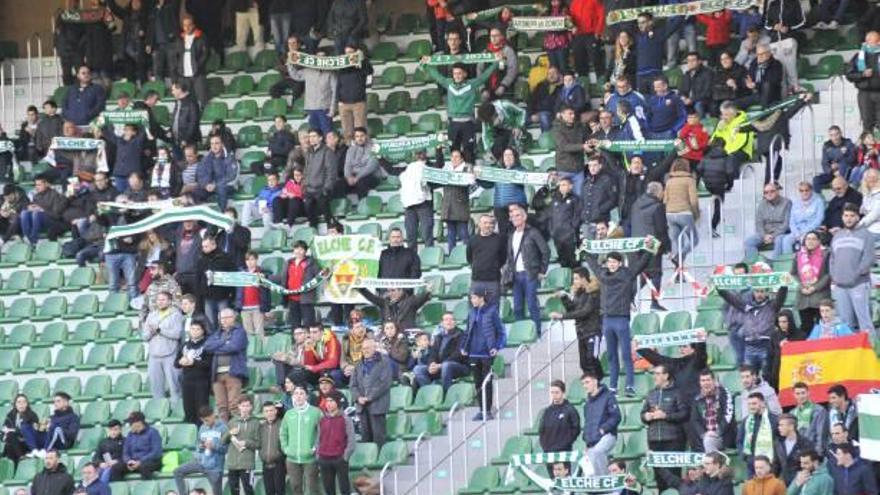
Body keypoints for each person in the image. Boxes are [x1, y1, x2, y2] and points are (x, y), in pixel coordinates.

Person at [584, 248, 654, 396]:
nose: (611, 264)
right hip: (607, 319)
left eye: (614, 262)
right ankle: (613, 387)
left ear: (620, 263)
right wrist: (584, 250)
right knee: (611, 355)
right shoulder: (602, 275)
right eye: (609, 262)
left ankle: (629, 385)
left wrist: (650, 249)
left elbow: (641, 264)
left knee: (626, 355)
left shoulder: (627, 274)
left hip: (621, 319)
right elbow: (593, 265)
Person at [422, 58, 498, 162]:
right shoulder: (448, 83)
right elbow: (437, 76)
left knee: (469, 152)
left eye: (459, 73)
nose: (457, 76)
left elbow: (484, 77)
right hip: (453, 124)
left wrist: (496, 62)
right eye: (455, 73)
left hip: (468, 124)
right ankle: (455, 175)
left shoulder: (472, 84)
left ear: (465, 74)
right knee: (453, 152)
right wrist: (425, 64)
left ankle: (470, 175)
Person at [718, 276, 788, 379]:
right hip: (749, 347)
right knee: (749, 377)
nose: (759, 294)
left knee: (767, 376)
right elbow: (730, 299)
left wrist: (784, 285)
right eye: (757, 291)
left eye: (762, 291)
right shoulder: (745, 306)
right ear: (753, 292)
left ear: (767, 293)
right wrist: (719, 289)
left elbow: (781, 297)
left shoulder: (772, 306)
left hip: (766, 347)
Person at [641, 364, 689, 492]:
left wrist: (666, 416)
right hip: (654, 441)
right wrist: (646, 416)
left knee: (673, 476)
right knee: (660, 479)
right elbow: (642, 414)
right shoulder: (651, 394)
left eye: (657, 373)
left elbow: (684, 414)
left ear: (666, 376)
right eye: (654, 374)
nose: (654, 377)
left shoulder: (677, 392)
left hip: (673, 440)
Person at [830, 203, 876, 333]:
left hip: (859, 284)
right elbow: (832, 259)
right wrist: (835, 276)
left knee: (864, 321)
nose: (848, 218)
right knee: (845, 323)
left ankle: (873, 351)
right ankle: (850, 353)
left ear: (857, 217)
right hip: (840, 286)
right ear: (842, 217)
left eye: (852, 216)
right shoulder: (837, 236)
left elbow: (868, 259)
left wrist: (855, 276)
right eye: (846, 215)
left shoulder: (866, 235)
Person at [462, 287, 505, 421]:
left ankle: (488, 410)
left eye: (474, 297)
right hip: (473, 353)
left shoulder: (492, 311)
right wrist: (464, 347)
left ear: (481, 298)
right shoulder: (471, 313)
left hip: (486, 353)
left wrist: (497, 347)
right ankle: (481, 410)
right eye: (471, 298)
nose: (472, 300)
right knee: (477, 383)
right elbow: (467, 332)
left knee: (487, 382)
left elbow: (501, 332)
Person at [550, 267, 602, 377]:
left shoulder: (594, 292)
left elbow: (585, 312)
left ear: (584, 279)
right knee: (583, 363)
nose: (574, 282)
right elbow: (573, 310)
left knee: (592, 358)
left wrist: (562, 316)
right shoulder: (578, 293)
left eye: (576, 279)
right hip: (581, 332)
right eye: (574, 279)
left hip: (593, 331)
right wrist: (564, 297)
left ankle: (598, 382)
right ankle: (590, 386)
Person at [505, 204, 549, 336]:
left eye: (517, 215)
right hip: (516, 275)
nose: (515, 218)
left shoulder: (533, 232)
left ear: (524, 217)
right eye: (512, 216)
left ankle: (537, 332)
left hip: (530, 273)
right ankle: (520, 333)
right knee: (517, 307)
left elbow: (545, 251)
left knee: (531, 304)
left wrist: (542, 270)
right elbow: (510, 255)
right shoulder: (511, 235)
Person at [204, 309, 249, 422]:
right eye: (221, 318)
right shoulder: (217, 333)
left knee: (234, 405)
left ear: (233, 318)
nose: (223, 320)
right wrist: (224, 342)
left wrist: (216, 348)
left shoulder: (240, 332)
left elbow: (234, 347)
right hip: (217, 375)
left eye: (226, 318)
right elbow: (207, 347)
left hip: (233, 373)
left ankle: (237, 430)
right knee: (221, 407)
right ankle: (225, 434)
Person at [173, 407, 227, 495]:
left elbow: (226, 449)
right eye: (203, 421)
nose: (205, 423)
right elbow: (198, 446)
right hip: (201, 462)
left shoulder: (223, 428)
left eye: (207, 420)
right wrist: (201, 447)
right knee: (177, 471)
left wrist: (214, 446)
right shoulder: (202, 427)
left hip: (215, 467)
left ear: (213, 415)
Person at [350, 337, 393, 444]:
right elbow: (353, 385)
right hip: (362, 407)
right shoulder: (358, 365)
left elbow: (384, 383)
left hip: (378, 406)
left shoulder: (384, 362)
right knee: (365, 438)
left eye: (368, 348)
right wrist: (358, 397)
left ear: (375, 348)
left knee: (379, 438)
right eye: (363, 348)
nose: (365, 350)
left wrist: (369, 397)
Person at [143, 291, 184, 401]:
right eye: (158, 300)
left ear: (169, 301)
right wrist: (151, 332)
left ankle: (177, 410)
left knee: (174, 387)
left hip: (170, 354)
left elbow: (177, 334)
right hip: (154, 355)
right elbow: (144, 336)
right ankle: (158, 412)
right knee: (156, 388)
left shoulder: (176, 314)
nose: (160, 302)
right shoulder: (151, 315)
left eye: (163, 300)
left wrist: (160, 330)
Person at [790, 231, 832, 335]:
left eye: (814, 239)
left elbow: (828, 274)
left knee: (822, 328)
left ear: (819, 241)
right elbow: (793, 274)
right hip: (803, 297)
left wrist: (815, 288)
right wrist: (801, 287)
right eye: (808, 239)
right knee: (806, 328)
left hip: (820, 296)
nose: (810, 241)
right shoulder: (798, 255)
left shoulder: (826, 254)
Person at [414, 312, 467, 390]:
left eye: (451, 319)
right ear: (442, 323)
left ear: (455, 322)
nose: (449, 322)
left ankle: (447, 394)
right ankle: (431, 393)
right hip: (440, 367)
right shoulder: (439, 336)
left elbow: (458, 354)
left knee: (446, 365)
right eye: (446, 320)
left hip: (458, 366)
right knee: (418, 369)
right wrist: (431, 364)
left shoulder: (462, 335)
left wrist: (441, 365)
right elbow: (433, 353)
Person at [581, 370, 620, 475]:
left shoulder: (609, 396)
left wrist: (604, 429)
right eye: (583, 383)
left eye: (587, 382)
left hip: (608, 435)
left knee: (597, 452)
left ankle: (604, 481)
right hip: (592, 440)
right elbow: (588, 423)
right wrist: (587, 442)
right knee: (588, 463)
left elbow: (616, 416)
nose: (585, 385)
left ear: (595, 381)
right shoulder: (587, 402)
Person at [316, 392, 355, 495]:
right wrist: (318, 455)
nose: (328, 404)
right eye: (327, 401)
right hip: (324, 458)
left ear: (338, 402)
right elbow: (318, 439)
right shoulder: (322, 419)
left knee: (344, 489)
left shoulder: (346, 419)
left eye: (331, 401)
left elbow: (351, 441)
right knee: (329, 490)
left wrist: (345, 457)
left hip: (339, 458)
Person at [688, 370, 736, 453]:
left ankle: (711, 464)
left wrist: (717, 432)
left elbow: (728, 415)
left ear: (714, 381)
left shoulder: (724, 393)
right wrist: (703, 434)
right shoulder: (697, 398)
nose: (706, 383)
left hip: (723, 435)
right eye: (703, 380)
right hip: (704, 436)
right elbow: (694, 420)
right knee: (706, 440)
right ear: (699, 383)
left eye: (708, 380)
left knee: (709, 441)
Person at [175, 319, 213, 425]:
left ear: (203, 331)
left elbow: (209, 364)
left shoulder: (207, 344)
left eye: (198, 329)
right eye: (192, 329)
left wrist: (194, 362)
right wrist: (181, 361)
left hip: (202, 382)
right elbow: (176, 363)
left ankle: (202, 432)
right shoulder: (185, 345)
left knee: (201, 410)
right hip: (187, 381)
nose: (195, 331)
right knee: (188, 409)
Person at [664, 158, 701, 265]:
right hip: (684, 212)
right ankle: (678, 256)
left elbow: (665, 199)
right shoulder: (690, 180)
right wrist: (696, 215)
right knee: (694, 240)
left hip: (670, 214)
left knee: (676, 242)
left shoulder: (669, 181)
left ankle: (678, 272)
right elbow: (693, 201)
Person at [222, 396, 260, 495]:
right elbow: (223, 441)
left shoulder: (256, 422)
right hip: (232, 463)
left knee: (248, 489)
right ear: (239, 407)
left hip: (247, 463)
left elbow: (258, 444)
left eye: (247, 406)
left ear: (251, 407)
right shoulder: (232, 421)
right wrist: (230, 432)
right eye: (243, 406)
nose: (245, 408)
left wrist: (246, 442)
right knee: (234, 490)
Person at [744, 183, 792, 260]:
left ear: (777, 191)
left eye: (772, 191)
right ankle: (756, 265)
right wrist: (764, 236)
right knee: (749, 242)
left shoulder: (786, 203)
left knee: (779, 240)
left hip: (780, 233)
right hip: (765, 233)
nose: (769, 194)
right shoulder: (762, 204)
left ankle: (775, 264)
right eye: (766, 192)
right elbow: (759, 223)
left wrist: (773, 236)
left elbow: (786, 224)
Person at [774, 182, 824, 256]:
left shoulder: (818, 202)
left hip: (812, 230)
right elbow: (792, 221)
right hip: (797, 232)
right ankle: (789, 264)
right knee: (786, 240)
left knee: (805, 239)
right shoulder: (796, 203)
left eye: (806, 190)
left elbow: (818, 220)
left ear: (811, 190)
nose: (804, 192)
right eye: (801, 190)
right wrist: (796, 233)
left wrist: (804, 231)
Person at [110, 412, 162, 481]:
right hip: (133, 462)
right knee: (116, 468)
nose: (130, 425)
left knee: (144, 467)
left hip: (149, 461)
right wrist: (128, 461)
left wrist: (140, 461)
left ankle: (145, 488)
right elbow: (125, 452)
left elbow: (156, 452)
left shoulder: (153, 432)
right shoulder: (130, 434)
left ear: (139, 423)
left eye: (131, 423)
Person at [438, 148, 473, 252]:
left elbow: (470, 182)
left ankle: (469, 254)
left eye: (457, 156)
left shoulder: (467, 168)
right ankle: (452, 254)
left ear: (462, 159)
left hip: (460, 206)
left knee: (463, 233)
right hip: (448, 206)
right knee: (450, 235)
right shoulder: (447, 170)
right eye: (452, 157)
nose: (454, 159)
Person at [467, 215, 507, 302]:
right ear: (479, 225)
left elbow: (503, 257)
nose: (488, 225)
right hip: (476, 280)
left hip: (493, 281)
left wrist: (495, 266)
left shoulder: (499, 239)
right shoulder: (472, 240)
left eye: (490, 223)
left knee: (492, 310)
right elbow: (469, 258)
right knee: (475, 311)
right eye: (485, 223)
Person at [738, 392, 780, 474]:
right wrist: (745, 457)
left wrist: (775, 459)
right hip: (752, 465)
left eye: (754, 403)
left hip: (771, 465)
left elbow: (779, 441)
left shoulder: (775, 420)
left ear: (763, 403)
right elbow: (739, 441)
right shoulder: (746, 421)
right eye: (749, 404)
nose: (751, 406)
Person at [302, 129, 336, 228]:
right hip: (309, 189)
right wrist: (304, 186)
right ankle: (313, 233)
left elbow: (331, 172)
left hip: (322, 189)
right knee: (310, 214)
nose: (311, 139)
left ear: (320, 138)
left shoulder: (327, 152)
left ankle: (332, 230)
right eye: (309, 137)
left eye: (314, 136)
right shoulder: (309, 152)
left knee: (327, 215)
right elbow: (306, 170)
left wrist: (326, 188)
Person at [847, 32, 880, 132]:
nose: (878, 43)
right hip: (865, 94)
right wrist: (862, 74)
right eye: (876, 41)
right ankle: (869, 147)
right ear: (868, 42)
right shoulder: (858, 56)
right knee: (867, 123)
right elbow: (849, 75)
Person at [20, 175, 67, 245]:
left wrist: (42, 210)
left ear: (47, 184)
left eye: (39, 185)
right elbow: (31, 209)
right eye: (36, 185)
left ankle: (33, 240)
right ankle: (27, 238)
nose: (36, 187)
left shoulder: (55, 195)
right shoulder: (36, 196)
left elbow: (56, 215)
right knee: (24, 213)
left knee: (36, 213)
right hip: (38, 220)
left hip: (52, 221)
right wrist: (30, 208)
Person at [538, 380, 581, 455]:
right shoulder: (547, 411)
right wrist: (545, 446)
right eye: (552, 392)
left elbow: (576, 429)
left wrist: (565, 443)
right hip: (548, 451)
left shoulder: (570, 410)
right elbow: (542, 430)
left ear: (563, 393)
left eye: (557, 392)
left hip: (564, 451)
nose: (554, 395)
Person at [736, 43, 784, 108]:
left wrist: (756, 84)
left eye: (762, 54)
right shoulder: (754, 63)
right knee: (735, 104)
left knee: (767, 85)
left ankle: (765, 111)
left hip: (771, 95)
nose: (760, 56)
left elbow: (772, 81)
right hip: (756, 94)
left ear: (769, 53)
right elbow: (747, 77)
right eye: (758, 54)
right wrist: (747, 83)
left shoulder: (776, 64)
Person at [176, 16, 209, 107]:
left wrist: (198, 66)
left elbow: (205, 54)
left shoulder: (201, 36)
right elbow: (176, 56)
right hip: (183, 75)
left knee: (202, 99)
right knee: (185, 102)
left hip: (198, 74)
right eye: (185, 25)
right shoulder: (179, 39)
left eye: (189, 25)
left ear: (193, 25)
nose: (187, 27)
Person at [342, 128, 383, 199]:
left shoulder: (375, 147)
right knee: (339, 184)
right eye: (357, 136)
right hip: (354, 176)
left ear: (366, 136)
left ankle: (362, 207)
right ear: (354, 138)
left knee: (361, 183)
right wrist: (348, 177)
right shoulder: (351, 149)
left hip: (371, 176)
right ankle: (342, 208)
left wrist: (357, 178)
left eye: (362, 136)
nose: (360, 138)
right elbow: (347, 165)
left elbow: (371, 167)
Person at [773, 414, 814, 485]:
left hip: (801, 483)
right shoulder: (778, 443)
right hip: (783, 484)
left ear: (791, 426)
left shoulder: (805, 443)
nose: (779, 428)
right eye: (779, 425)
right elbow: (776, 465)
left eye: (782, 425)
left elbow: (810, 465)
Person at [815, 126, 858, 192]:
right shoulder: (827, 146)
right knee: (816, 180)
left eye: (836, 134)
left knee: (843, 165)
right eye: (832, 135)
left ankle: (841, 191)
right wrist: (831, 171)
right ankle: (820, 200)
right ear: (829, 136)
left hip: (846, 172)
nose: (835, 137)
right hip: (832, 173)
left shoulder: (848, 143)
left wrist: (839, 164)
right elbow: (824, 163)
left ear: (840, 133)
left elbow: (852, 159)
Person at [790, 383, 828, 455]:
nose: (801, 396)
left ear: (808, 393)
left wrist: (818, 454)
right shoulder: (792, 413)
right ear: (794, 395)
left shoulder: (819, 410)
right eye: (797, 393)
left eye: (803, 393)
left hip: (812, 451)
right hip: (797, 453)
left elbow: (821, 434)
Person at [258, 402, 284, 495]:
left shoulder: (282, 424)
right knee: (269, 491)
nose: (269, 413)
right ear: (263, 413)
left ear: (275, 411)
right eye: (266, 411)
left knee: (280, 491)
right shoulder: (261, 427)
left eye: (271, 410)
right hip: (265, 464)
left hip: (279, 464)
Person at [170, 81, 201, 156]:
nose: (172, 92)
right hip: (176, 140)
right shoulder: (177, 102)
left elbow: (193, 123)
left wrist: (186, 139)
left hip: (188, 141)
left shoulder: (192, 102)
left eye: (173, 90)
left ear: (179, 89)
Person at [93, 419, 124, 483]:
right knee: (92, 472)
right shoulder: (103, 442)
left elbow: (127, 456)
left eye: (115, 429)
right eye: (111, 429)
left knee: (107, 472)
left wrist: (116, 461)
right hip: (104, 465)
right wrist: (100, 463)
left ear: (120, 430)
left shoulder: (125, 441)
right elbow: (96, 457)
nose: (113, 432)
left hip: (117, 466)